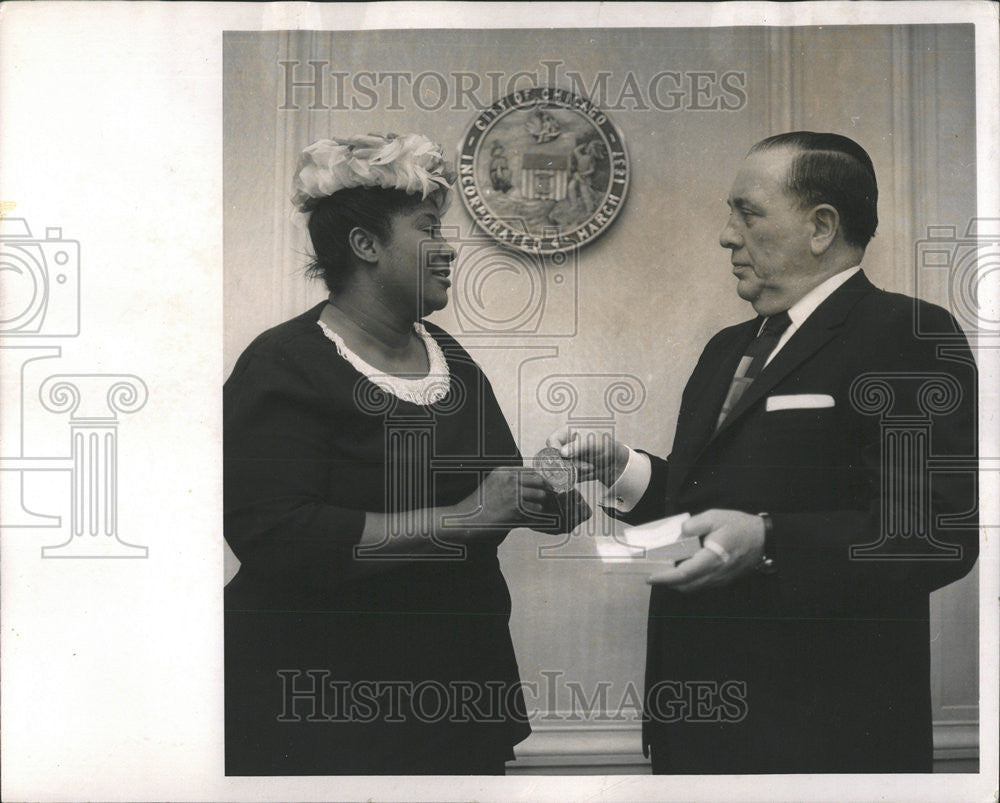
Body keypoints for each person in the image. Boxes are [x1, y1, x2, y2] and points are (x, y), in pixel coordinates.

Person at [549, 132, 978, 773]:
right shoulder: (727, 346)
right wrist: (628, 472)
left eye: (747, 213)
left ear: (821, 226)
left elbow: (937, 534)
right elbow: (713, 512)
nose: (726, 235)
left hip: (823, 738)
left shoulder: (906, 335)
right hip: (694, 727)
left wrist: (769, 540)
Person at [224, 133, 562, 775]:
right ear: (366, 245)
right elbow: (276, 534)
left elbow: (497, 488)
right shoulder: (282, 364)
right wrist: (465, 519)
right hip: (325, 702)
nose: (449, 250)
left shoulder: (448, 356)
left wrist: (548, 491)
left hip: (454, 694)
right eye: (430, 228)